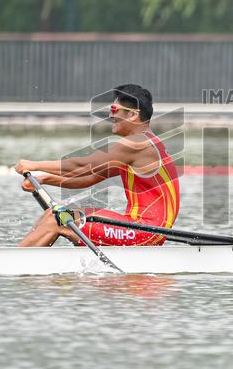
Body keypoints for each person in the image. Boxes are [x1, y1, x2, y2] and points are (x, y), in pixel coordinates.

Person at [15, 84, 180, 247]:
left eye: (115, 110)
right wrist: (44, 179)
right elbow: (90, 177)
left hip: (145, 230)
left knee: (55, 219)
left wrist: (34, 164)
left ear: (132, 115)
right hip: (145, 229)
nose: (110, 115)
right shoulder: (145, 143)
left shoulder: (137, 144)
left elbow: (84, 166)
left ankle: (15, 265)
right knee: (53, 214)